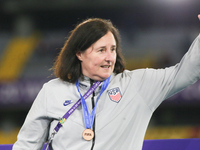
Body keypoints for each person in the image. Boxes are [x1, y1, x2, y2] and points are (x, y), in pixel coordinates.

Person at [13, 15, 200, 150]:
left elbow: (185, 73)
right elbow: (26, 146)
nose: (110, 57)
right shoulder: (52, 91)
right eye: (101, 50)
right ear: (79, 53)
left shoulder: (137, 86)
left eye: (113, 49)